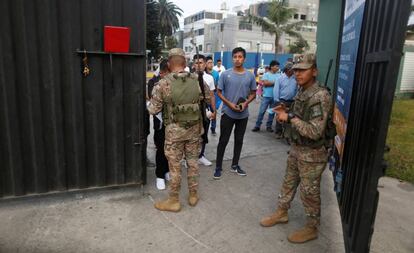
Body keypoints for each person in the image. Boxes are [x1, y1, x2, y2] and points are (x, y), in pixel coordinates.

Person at [260, 54, 332, 243]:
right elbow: (300, 115)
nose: (298, 73)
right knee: (288, 182)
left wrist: (290, 118)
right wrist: (286, 110)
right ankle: (282, 212)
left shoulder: (320, 96)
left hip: (312, 153)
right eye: (296, 69)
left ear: (314, 71)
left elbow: (315, 131)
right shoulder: (302, 91)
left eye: (303, 70)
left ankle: (311, 227)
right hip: (297, 148)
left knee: (309, 192)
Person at [147, 48, 210, 212]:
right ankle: (193, 195)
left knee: (174, 166)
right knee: (193, 163)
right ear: (184, 63)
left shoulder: (163, 83)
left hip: (174, 133)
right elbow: (207, 98)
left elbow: (153, 110)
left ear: (169, 64)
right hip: (194, 130)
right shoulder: (197, 79)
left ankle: (174, 200)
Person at [213, 47, 256, 179]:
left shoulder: (250, 75)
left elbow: (254, 93)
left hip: (243, 115)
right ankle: (218, 167)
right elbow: (219, 92)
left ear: (244, 58)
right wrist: (229, 104)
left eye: (240, 57)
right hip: (228, 113)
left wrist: (246, 103)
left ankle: (235, 165)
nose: (237, 59)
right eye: (235, 57)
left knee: (239, 140)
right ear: (232, 58)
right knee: (223, 140)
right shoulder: (225, 74)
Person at [147, 59, 170, 190]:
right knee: (161, 149)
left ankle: (167, 171)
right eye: (167, 73)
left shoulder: (174, 82)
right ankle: (160, 175)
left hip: (172, 123)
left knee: (170, 149)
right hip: (160, 122)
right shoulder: (153, 83)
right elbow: (153, 101)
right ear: (162, 73)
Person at [193, 54, 216, 166]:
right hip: (191, 112)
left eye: (201, 62)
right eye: (196, 63)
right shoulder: (188, 77)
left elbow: (212, 95)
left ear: (205, 64)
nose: (199, 65)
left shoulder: (210, 78)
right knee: (192, 136)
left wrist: (214, 110)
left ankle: (201, 155)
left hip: (205, 110)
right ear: (193, 64)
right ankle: (190, 158)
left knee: (204, 134)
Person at [252, 60, 281, 132]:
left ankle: (269, 126)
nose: (278, 68)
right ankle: (257, 126)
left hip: (275, 97)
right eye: (276, 66)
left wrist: (271, 83)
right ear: (272, 67)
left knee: (271, 112)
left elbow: (277, 84)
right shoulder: (266, 74)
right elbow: (265, 83)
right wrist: (276, 83)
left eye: (278, 66)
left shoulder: (279, 75)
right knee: (262, 111)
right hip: (266, 96)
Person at [273, 62, 298, 138]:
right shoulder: (280, 78)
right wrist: (277, 101)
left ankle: (288, 134)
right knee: (280, 117)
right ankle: (278, 132)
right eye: (291, 69)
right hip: (282, 101)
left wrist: (296, 99)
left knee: (290, 117)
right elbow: (276, 90)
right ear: (287, 70)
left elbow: (297, 90)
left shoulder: (295, 78)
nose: (293, 71)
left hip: (292, 101)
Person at [206, 56, 221, 135]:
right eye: (209, 63)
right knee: (206, 113)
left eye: (212, 63)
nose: (211, 64)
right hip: (205, 97)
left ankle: (213, 128)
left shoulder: (216, 73)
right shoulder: (204, 73)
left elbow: (217, 85)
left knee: (214, 112)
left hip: (213, 95)